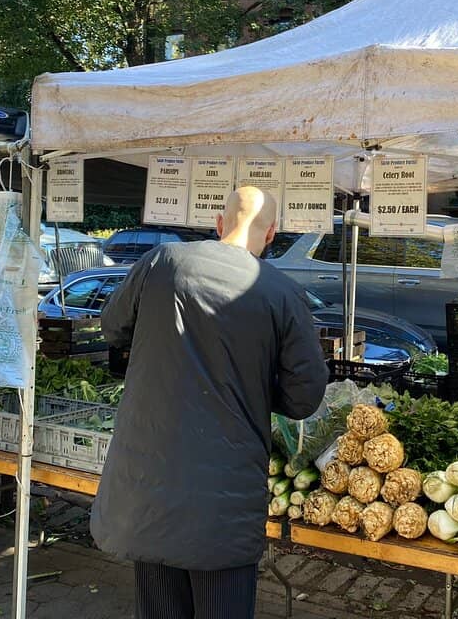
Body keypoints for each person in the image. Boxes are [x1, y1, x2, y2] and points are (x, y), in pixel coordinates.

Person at [92, 187, 328, 619]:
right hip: (224, 506)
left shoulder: (160, 262)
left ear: (219, 224)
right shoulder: (283, 293)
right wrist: (252, 386)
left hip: (149, 489)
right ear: (272, 233)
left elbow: (112, 327)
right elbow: (305, 396)